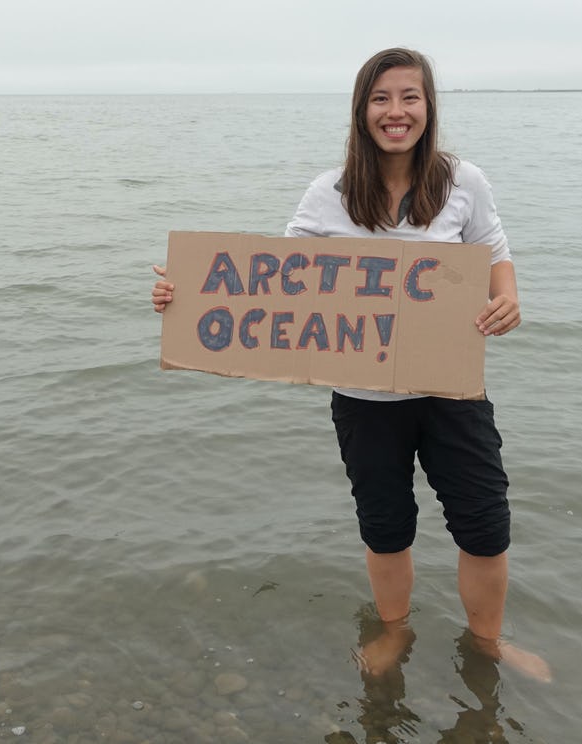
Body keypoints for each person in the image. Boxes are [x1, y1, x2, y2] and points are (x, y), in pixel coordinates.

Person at [151, 48, 549, 681]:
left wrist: (509, 297)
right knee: (385, 525)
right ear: (362, 110)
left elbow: (493, 249)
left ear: (428, 106)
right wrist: (187, 297)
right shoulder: (328, 192)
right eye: (382, 98)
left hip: (452, 390)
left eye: (409, 97)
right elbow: (274, 279)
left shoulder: (463, 181)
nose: (397, 112)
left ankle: (489, 643)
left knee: (485, 525)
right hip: (364, 398)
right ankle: (395, 630)